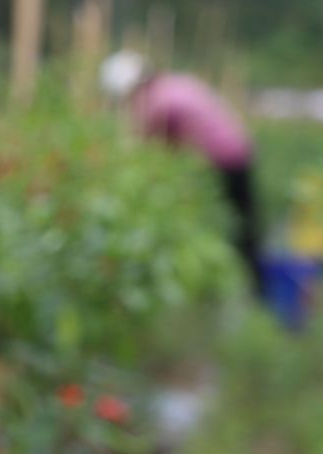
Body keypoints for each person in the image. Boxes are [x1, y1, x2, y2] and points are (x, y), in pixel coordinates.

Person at [100, 51, 263, 294]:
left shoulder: (156, 102)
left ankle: (254, 288)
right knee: (246, 222)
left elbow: (148, 146)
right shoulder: (174, 83)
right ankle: (256, 288)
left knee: (238, 227)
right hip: (238, 149)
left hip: (224, 158)